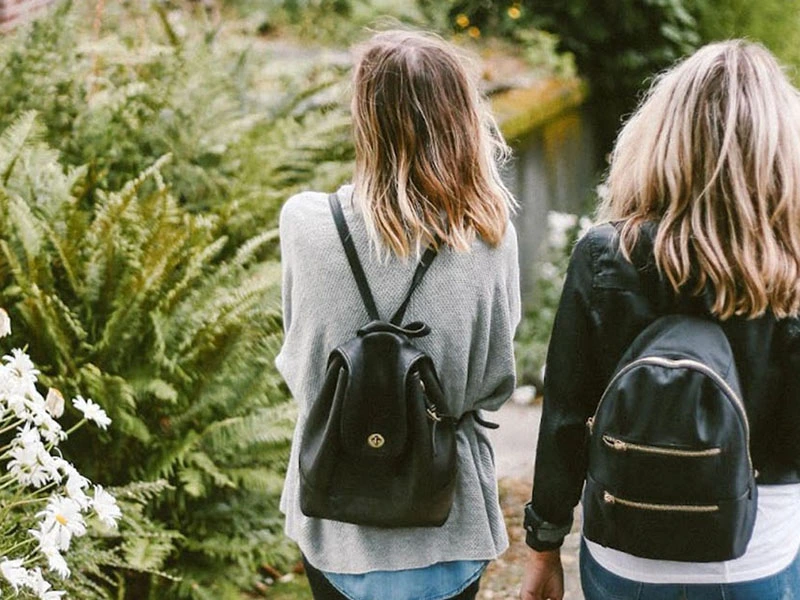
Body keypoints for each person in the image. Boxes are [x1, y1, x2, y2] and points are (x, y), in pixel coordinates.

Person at [521, 40, 800, 600]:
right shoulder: (791, 264)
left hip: (627, 551)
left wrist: (544, 545)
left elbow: (565, 420)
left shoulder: (605, 255)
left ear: (660, 135)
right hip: (757, 557)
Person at [276, 30, 521, 600]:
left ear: (365, 119)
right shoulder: (492, 237)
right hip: (448, 517)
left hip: (336, 523)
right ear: (462, 117)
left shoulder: (304, 223)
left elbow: (300, 365)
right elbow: (493, 380)